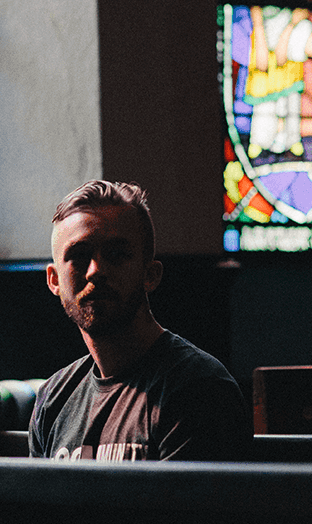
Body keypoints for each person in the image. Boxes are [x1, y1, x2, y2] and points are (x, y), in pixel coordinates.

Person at [30, 180, 255, 461]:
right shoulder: (54, 398)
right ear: (54, 280)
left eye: (116, 255)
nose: (96, 271)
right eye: (78, 256)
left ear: (150, 274)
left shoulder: (199, 390)